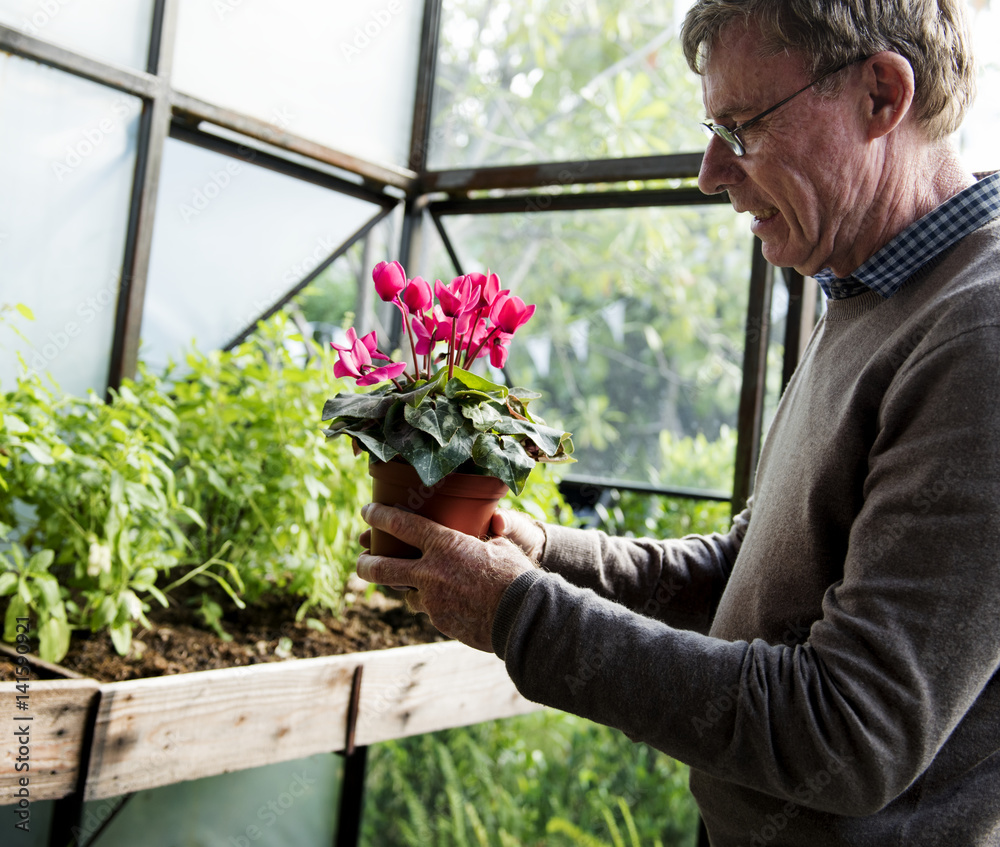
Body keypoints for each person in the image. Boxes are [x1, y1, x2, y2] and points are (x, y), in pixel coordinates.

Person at [357, 0, 1000, 843]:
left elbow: (850, 733)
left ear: (881, 96)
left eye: (741, 126)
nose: (709, 171)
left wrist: (521, 614)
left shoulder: (977, 333)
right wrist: (545, 555)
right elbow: (754, 570)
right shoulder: (865, 290)